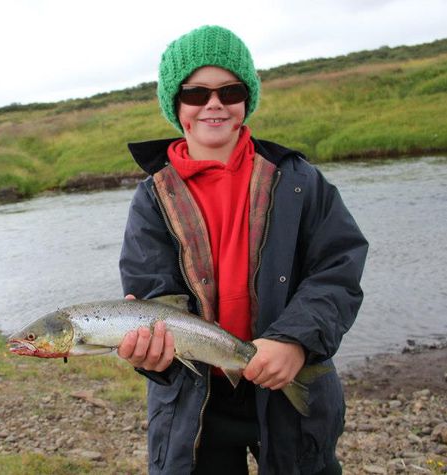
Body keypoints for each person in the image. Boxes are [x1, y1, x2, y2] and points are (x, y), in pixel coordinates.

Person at [117, 25, 368, 475]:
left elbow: (338, 270)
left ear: (246, 99)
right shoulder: (151, 199)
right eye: (196, 94)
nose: (214, 103)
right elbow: (152, 298)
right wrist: (150, 361)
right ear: (177, 106)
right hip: (192, 403)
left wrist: (295, 341)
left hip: (288, 384)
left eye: (229, 90)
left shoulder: (299, 180)